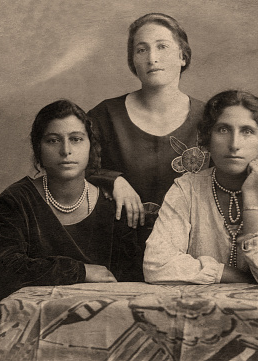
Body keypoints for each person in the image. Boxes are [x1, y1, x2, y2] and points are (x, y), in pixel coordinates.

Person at [143, 90, 258, 285]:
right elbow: (156, 265)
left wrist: (252, 196)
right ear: (207, 138)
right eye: (223, 130)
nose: (234, 144)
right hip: (196, 309)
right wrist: (230, 275)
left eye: (247, 131)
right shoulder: (186, 188)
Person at [0, 100, 144, 305]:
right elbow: (7, 270)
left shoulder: (112, 204)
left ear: (91, 147)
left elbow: (131, 281)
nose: (66, 150)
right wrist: (80, 271)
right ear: (38, 149)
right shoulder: (17, 200)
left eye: (76, 139)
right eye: (53, 140)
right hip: (31, 321)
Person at [87, 13, 207, 242]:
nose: (152, 58)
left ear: (182, 56)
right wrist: (112, 180)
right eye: (141, 50)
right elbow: (70, 166)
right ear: (133, 61)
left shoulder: (208, 118)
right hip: (117, 246)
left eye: (162, 47)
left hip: (192, 246)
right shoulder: (105, 115)